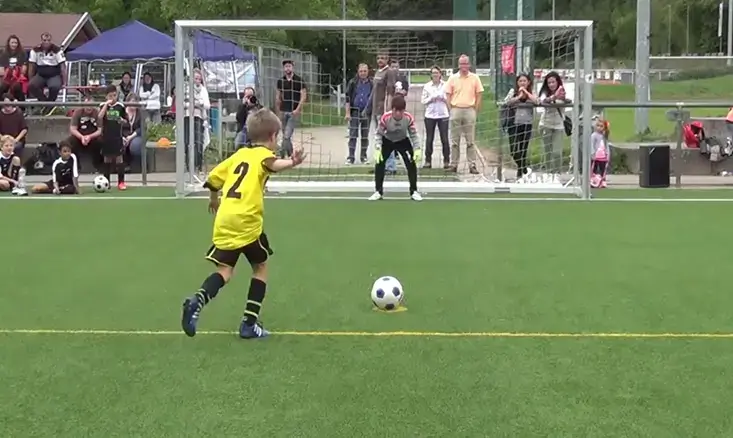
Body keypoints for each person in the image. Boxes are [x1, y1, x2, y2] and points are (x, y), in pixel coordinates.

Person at [180, 108, 307, 339]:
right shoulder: (263, 155)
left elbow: (214, 179)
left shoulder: (238, 156)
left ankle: (197, 300)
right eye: (277, 137)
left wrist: (214, 199)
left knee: (225, 270)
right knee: (260, 267)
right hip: (247, 222)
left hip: (225, 219)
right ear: (272, 137)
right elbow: (272, 164)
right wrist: (292, 162)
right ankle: (249, 324)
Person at [369, 95, 422, 202]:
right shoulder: (385, 118)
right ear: (392, 109)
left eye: (400, 111)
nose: (398, 113)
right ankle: (378, 191)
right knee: (379, 163)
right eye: (395, 110)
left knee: (411, 163)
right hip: (388, 140)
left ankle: (414, 191)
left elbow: (413, 134)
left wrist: (417, 149)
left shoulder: (408, 118)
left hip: (402, 141)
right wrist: (378, 148)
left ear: (404, 110)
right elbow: (378, 134)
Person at [444, 54, 484, 174]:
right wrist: (451, 109)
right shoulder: (453, 78)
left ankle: (472, 165)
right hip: (456, 109)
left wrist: (475, 109)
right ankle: (454, 164)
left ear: (469, 64)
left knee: (470, 141)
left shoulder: (475, 78)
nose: (464, 66)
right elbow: (448, 94)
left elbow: (479, 94)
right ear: (458, 65)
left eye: (466, 63)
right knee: (455, 141)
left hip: (469, 110)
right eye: (462, 63)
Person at [503, 73, 538, 181]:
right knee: (514, 151)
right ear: (517, 83)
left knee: (523, 149)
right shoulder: (513, 91)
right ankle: (523, 167)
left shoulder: (532, 92)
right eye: (520, 81)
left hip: (526, 124)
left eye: (524, 81)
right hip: (513, 123)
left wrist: (526, 93)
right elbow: (506, 102)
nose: (522, 83)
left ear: (528, 82)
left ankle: (520, 172)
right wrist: (518, 97)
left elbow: (537, 101)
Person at [538, 71, 569, 182]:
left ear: (557, 82)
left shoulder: (562, 91)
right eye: (549, 82)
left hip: (558, 125)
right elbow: (542, 101)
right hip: (546, 124)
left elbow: (566, 102)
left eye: (553, 82)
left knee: (557, 152)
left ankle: (556, 174)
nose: (551, 84)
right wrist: (553, 97)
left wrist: (563, 98)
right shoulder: (544, 93)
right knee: (547, 152)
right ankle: (548, 173)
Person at [98, 85, 128, 191]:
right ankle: (107, 182)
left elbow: (126, 120)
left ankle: (121, 182)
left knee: (119, 159)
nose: (113, 98)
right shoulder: (102, 105)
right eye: (110, 96)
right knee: (107, 159)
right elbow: (100, 117)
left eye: (114, 95)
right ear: (106, 96)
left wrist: (122, 120)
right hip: (106, 137)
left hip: (117, 136)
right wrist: (106, 105)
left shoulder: (120, 106)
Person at [276, 60, 306, 158]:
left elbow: (303, 96)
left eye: (289, 66)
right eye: (286, 66)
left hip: (293, 111)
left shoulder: (299, 80)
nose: (287, 68)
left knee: (287, 135)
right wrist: (278, 111)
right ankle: (291, 154)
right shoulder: (280, 81)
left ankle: (281, 152)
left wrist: (298, 109)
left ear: (292, 67)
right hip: (283, 110)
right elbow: (278, 97)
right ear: (283, 68)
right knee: (285, 134)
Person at [421, 66, 450, 169]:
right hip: (430, 115)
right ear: (431, 75)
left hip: (443, 114)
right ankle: (428, 161)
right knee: (429, 138)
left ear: (440, 74)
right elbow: (423, 101)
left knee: (444, 138)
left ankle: (446, 161)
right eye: (433, 73)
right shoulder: (427, 86)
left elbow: (449, 98)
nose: (435, 75)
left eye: (437, 73)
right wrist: (431, 98)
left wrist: (443, 98)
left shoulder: (445, 85)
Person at [344, 63, 373, 164]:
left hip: (367, 112)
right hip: (355, 111)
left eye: (365, 71)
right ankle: (351, 157)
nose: (363, 73)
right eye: (361, 71)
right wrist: (347, 113)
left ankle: (363, 156)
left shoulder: (372, 83)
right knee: (353, 134)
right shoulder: (353, 82)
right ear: (358, 72)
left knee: (365, 135)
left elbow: (373, 98)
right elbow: (347, 98)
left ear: (368, 71)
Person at [27, 32, 66, 106]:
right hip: (41, 74)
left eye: (48, 40)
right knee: (31, 85)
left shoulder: (57, 50)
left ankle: (50, 105)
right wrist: (30, 79)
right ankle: (44, 102)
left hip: (54, 74)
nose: (46, 42)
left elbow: (63, 67)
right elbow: (31, 66)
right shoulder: (35, 50)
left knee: (54, 87)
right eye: (44, 40)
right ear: (41, 41)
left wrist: (64, 82)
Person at [69, 94, 104, 172]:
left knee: (100, 141)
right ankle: (76, 165)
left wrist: (90, 137)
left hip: (93, 136)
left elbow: (99, 130)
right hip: (80, 135)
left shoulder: (97, 113)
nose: (89, 108)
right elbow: (73, 129)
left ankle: (97, 165)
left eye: (91, 105)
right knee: (70, 141)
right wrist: (81, 137)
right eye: (87, 105)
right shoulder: (78, 112)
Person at [0, 35, 28, 101]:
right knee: (2, 86)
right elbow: (1, 70)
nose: (14, 44)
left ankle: (21, 105)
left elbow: (24, 69)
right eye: (12, 43)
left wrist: (17, 73)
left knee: (16, 86)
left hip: (18, 76)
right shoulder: (3, 54)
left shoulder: (22, 53)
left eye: (16, 43)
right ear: (9, 43)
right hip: (6, 76)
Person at [122, 93, 143, 165]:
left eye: (136, 101)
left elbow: (142, 128)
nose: (135, 103)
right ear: (128, 101)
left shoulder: (140, 113)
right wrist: (122, 137)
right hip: (123, 136)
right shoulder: (121, 112)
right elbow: (117, 126)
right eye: (133, 101)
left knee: (135, 145)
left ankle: (136, 165)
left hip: (135, 136)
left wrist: (131, 137)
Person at [590, 118, 609, 188]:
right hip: (595, 156)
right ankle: (593, 180)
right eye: (598, 126)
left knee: (603, 169)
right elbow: (591, 145)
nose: (599, 128)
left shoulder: (604, 136)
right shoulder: (593, 135)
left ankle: (603, 181)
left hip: (603, 156)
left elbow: (606, 146)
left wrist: (607, 154)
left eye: (601, 126)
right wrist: (592, 153)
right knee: (593, 169)